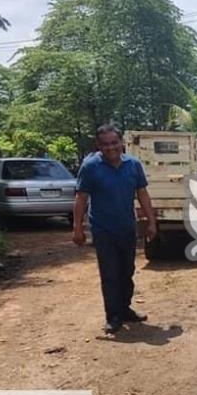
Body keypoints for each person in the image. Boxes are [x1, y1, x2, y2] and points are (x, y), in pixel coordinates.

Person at [72, 124, 157, 334]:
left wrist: (152, 222)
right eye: (105, 144)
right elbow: (81, 198)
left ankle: (125, 308)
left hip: (127, 227)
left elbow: (142, 193)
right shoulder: (90, 167)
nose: (111, 148)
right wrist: (77, 228)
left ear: (122, 143)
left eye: (114, 143)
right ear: (99, 146)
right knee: (110, 273)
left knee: (127, 271)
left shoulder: (133, 165)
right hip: (103, 229)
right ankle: (113, 317)